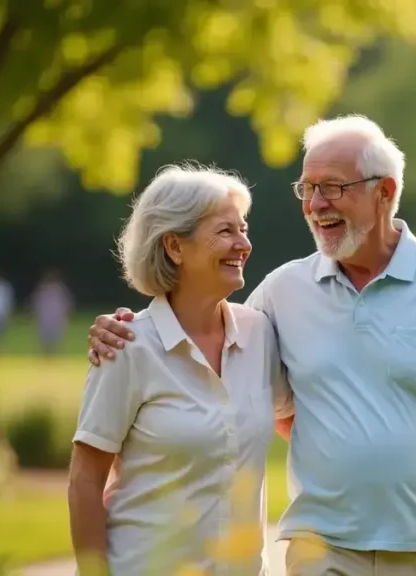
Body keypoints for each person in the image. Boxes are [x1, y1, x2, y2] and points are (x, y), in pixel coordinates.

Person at [86, 115, 416, 576]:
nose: (316, 204)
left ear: (384, 191)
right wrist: (121, 324)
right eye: (308, 188)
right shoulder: (280, 293)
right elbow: (210, 337)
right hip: (322, 549)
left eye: (333, 187)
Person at [67, 165, 296, 575]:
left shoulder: (260, 334)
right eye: (226, 231)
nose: (243, 243)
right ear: (174, 246)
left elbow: (292, 416)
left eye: (243, 229)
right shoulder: (126, 345)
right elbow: (85, 480)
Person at [30, 268, 73, 355]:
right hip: (44, 316)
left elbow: (66, 303)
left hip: (57, 316)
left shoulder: (61, 289)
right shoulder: (42, 288)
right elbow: (36, 302)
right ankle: (45, 353)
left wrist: (66, 315)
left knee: (56, 336)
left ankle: (53, 353)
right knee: (44, 337)